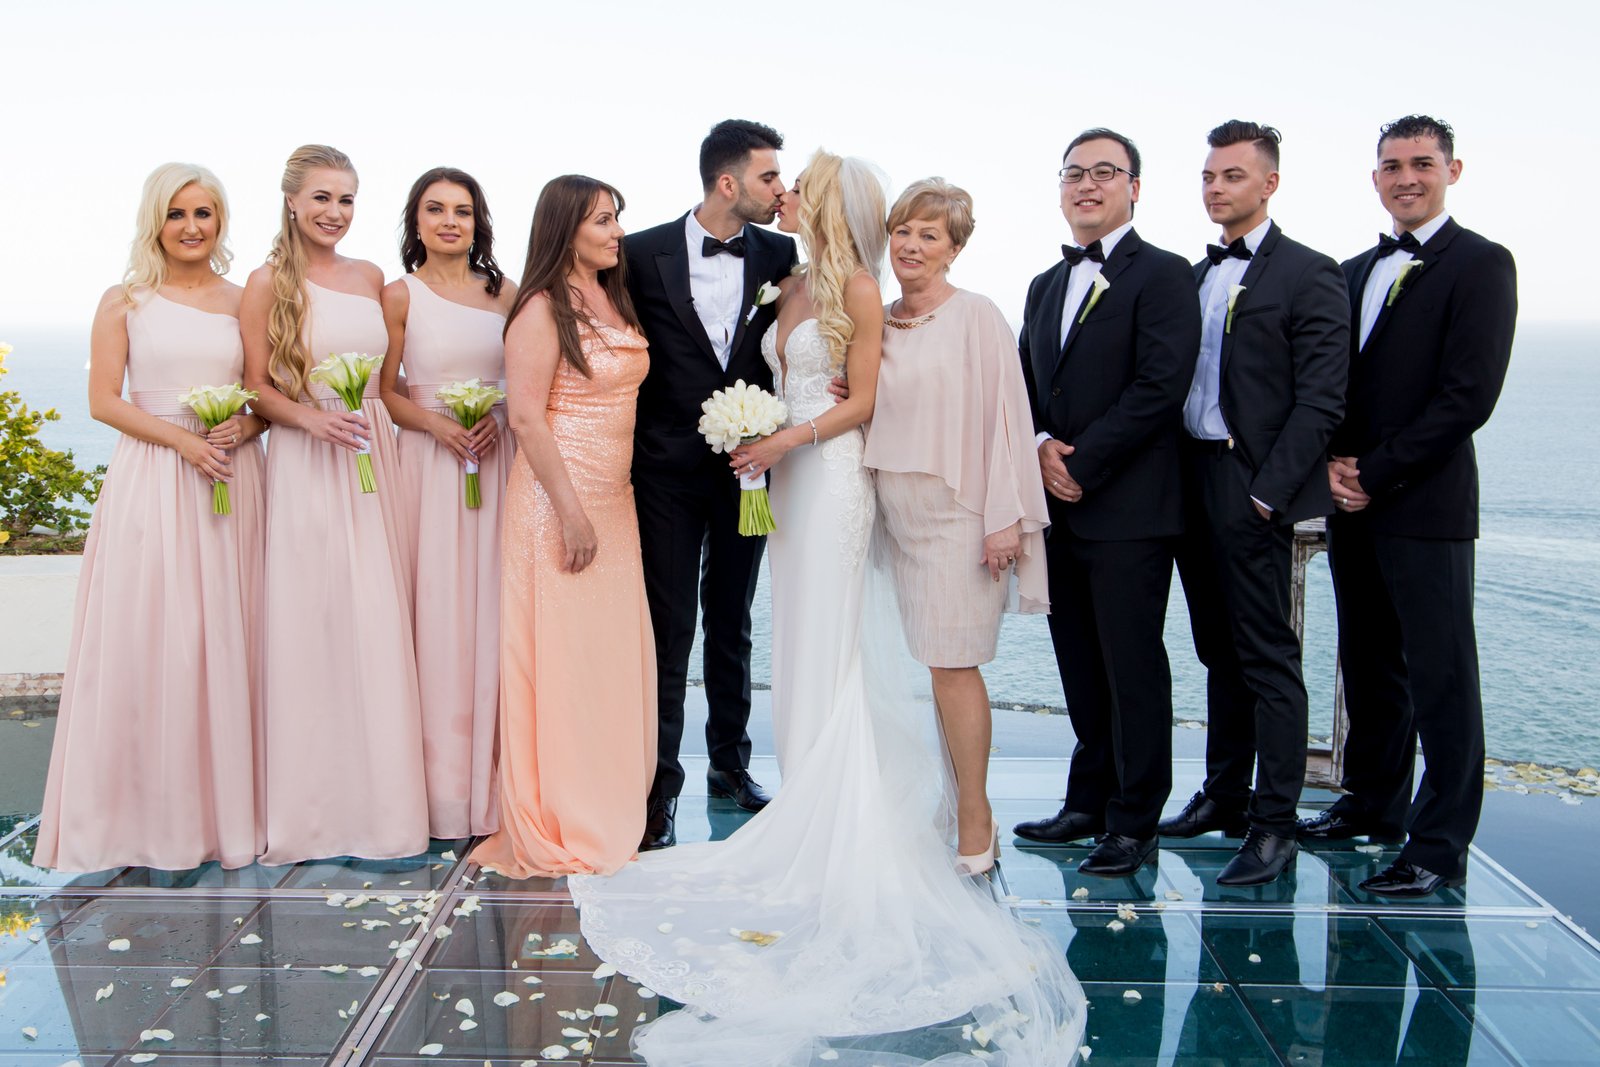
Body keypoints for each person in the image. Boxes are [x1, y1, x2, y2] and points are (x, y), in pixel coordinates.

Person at [569, 151, 1086, 1067]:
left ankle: (851, 821)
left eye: (799, 183)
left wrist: (782, 436)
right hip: (787, 477)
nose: (786, 193)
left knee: (832, 642)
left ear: (832, 202)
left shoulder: (856, 282)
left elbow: (869, 399)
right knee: (800, 643)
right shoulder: (791, 277)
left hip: (832, 478)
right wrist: (758, 430)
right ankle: (807, 797)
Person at [1300, 116, 1516, 896]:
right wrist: (1330, 466)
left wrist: (1375, 469)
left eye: (1422, 163)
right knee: (1369, 666)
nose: (1406, 177)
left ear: (1452, 170)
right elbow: (1330, 384)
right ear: (1375, 179)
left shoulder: (1483, 264)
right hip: (1350, 503)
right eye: (1392, 165)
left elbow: (1469, 395)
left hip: (1425, 505)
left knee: (1442, 676)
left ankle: (1438, 843)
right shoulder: (1353, 269)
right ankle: (1372, 804)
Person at [35, 162, 266, 872]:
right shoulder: (124, 299)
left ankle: (224, 813)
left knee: (225, 636)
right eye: (178, 214)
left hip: (228, 478)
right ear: (155, 221)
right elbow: (106, 400)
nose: (192, 227)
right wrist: (185, 442)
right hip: (153, 477)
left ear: (220, 221)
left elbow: (265, 396)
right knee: (153, 636)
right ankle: (141, 816)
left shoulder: (243, 298)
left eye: (204, 213)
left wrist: (240, 429)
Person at [1163, 121, 1349, 885]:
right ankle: (1224, 793)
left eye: (1232, 176)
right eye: (1209, 176)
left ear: (1269, 183)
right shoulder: (1193, 274)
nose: (1216, 188)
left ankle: (1275, 825)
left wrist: (1268, 494)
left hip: (1254, 488)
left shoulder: (1310, 272)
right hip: (1188, 482)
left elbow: (1322, 400)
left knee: (1269, 658)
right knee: (1217, 652)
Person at [1013, 128, 1202, 877]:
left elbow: (1161, 385)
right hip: (1059, 509)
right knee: (1079, 666)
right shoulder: (1043, 284)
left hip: (1130, 507)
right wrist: (1037, 447)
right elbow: (1028, 385)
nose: (1086, 185)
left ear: (1133, 187)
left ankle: (1134, 820)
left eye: (1103, 172)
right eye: (1072, 174)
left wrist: (1082, 460)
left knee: (1132, 666)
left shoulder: (1164, 274)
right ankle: (1087, 800)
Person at [241, 144, 429, 864]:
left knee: (376, 618)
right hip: (305, 458)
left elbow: (392, 382)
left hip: (373, 453)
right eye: (321, 197)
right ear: (292, 201)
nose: (335, 213)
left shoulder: (373, 277)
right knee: (311, 622)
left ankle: (383, 806)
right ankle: (313, 812)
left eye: (347, 199)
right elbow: (256, 384)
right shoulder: (265, 283)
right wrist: (310, 418)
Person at [470, 175, 656, 878]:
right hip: (558, 504)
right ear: (565, 229)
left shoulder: (615, 293)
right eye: (603, 221)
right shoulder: (541, 308)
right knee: (562, 659)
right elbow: (524, 418)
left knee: (603, 659)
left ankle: (607, 798)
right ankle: (561, 812)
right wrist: (572, 512)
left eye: (616, 219)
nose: (615, 232)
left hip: (616, 499)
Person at [864, 177, 1051, 874]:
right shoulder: (878, 317)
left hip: (961, 513)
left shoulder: (977, 316)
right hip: (896, 512)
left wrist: (1005, 519)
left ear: (954, 248)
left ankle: (977, 820)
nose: (911, 245)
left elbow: (1010, 417)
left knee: (953, 664)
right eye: (904, 230)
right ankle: (956, 800)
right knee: (932, 663)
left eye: (929, 235)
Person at [624, 119, 797, 849]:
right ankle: (657, 790)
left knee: (733, 621)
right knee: (670, 632)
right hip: (664, 470)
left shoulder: (783, 253)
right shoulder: (638, 254)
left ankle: (732, 766)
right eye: (768, 178)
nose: (779, 190)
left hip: (750, 470)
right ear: (727, 182)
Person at [381, 167, 517, 839]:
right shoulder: (397, 295)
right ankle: (435, 788)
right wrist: (436, 423)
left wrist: (502, 413)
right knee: (432, 611)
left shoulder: (507, 294)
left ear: (478, 221)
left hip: (496, 463)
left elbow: (529, 377)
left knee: (494, 609)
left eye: (462, 210)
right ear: (416, 221)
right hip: (430, 468)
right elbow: (385, 392)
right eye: (435, 209)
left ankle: (495, 779)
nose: (449, 222)